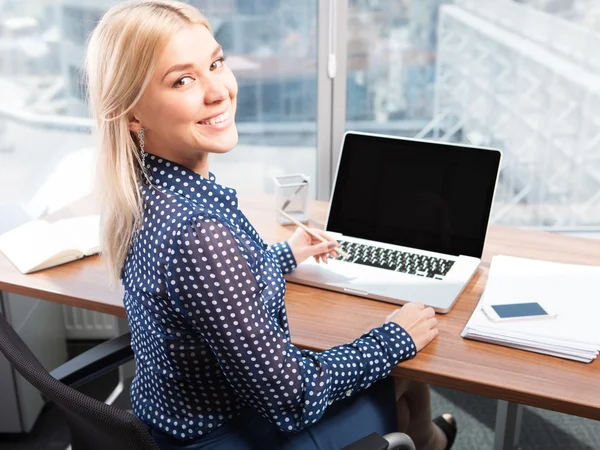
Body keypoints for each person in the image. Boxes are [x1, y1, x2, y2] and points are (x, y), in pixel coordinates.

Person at [85, 1, 457, 449]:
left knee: (397, 363)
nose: (218, 90)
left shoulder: (144, 192)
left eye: (216, 64)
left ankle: (428, 438)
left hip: (166, 421)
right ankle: (429, 439)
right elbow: (292, 398)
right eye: (182, 80)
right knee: (400, 363)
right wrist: (392, 339)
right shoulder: (197, 233)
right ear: (132, 115)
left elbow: (203, 295)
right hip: (231, 434)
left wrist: (285, 254)